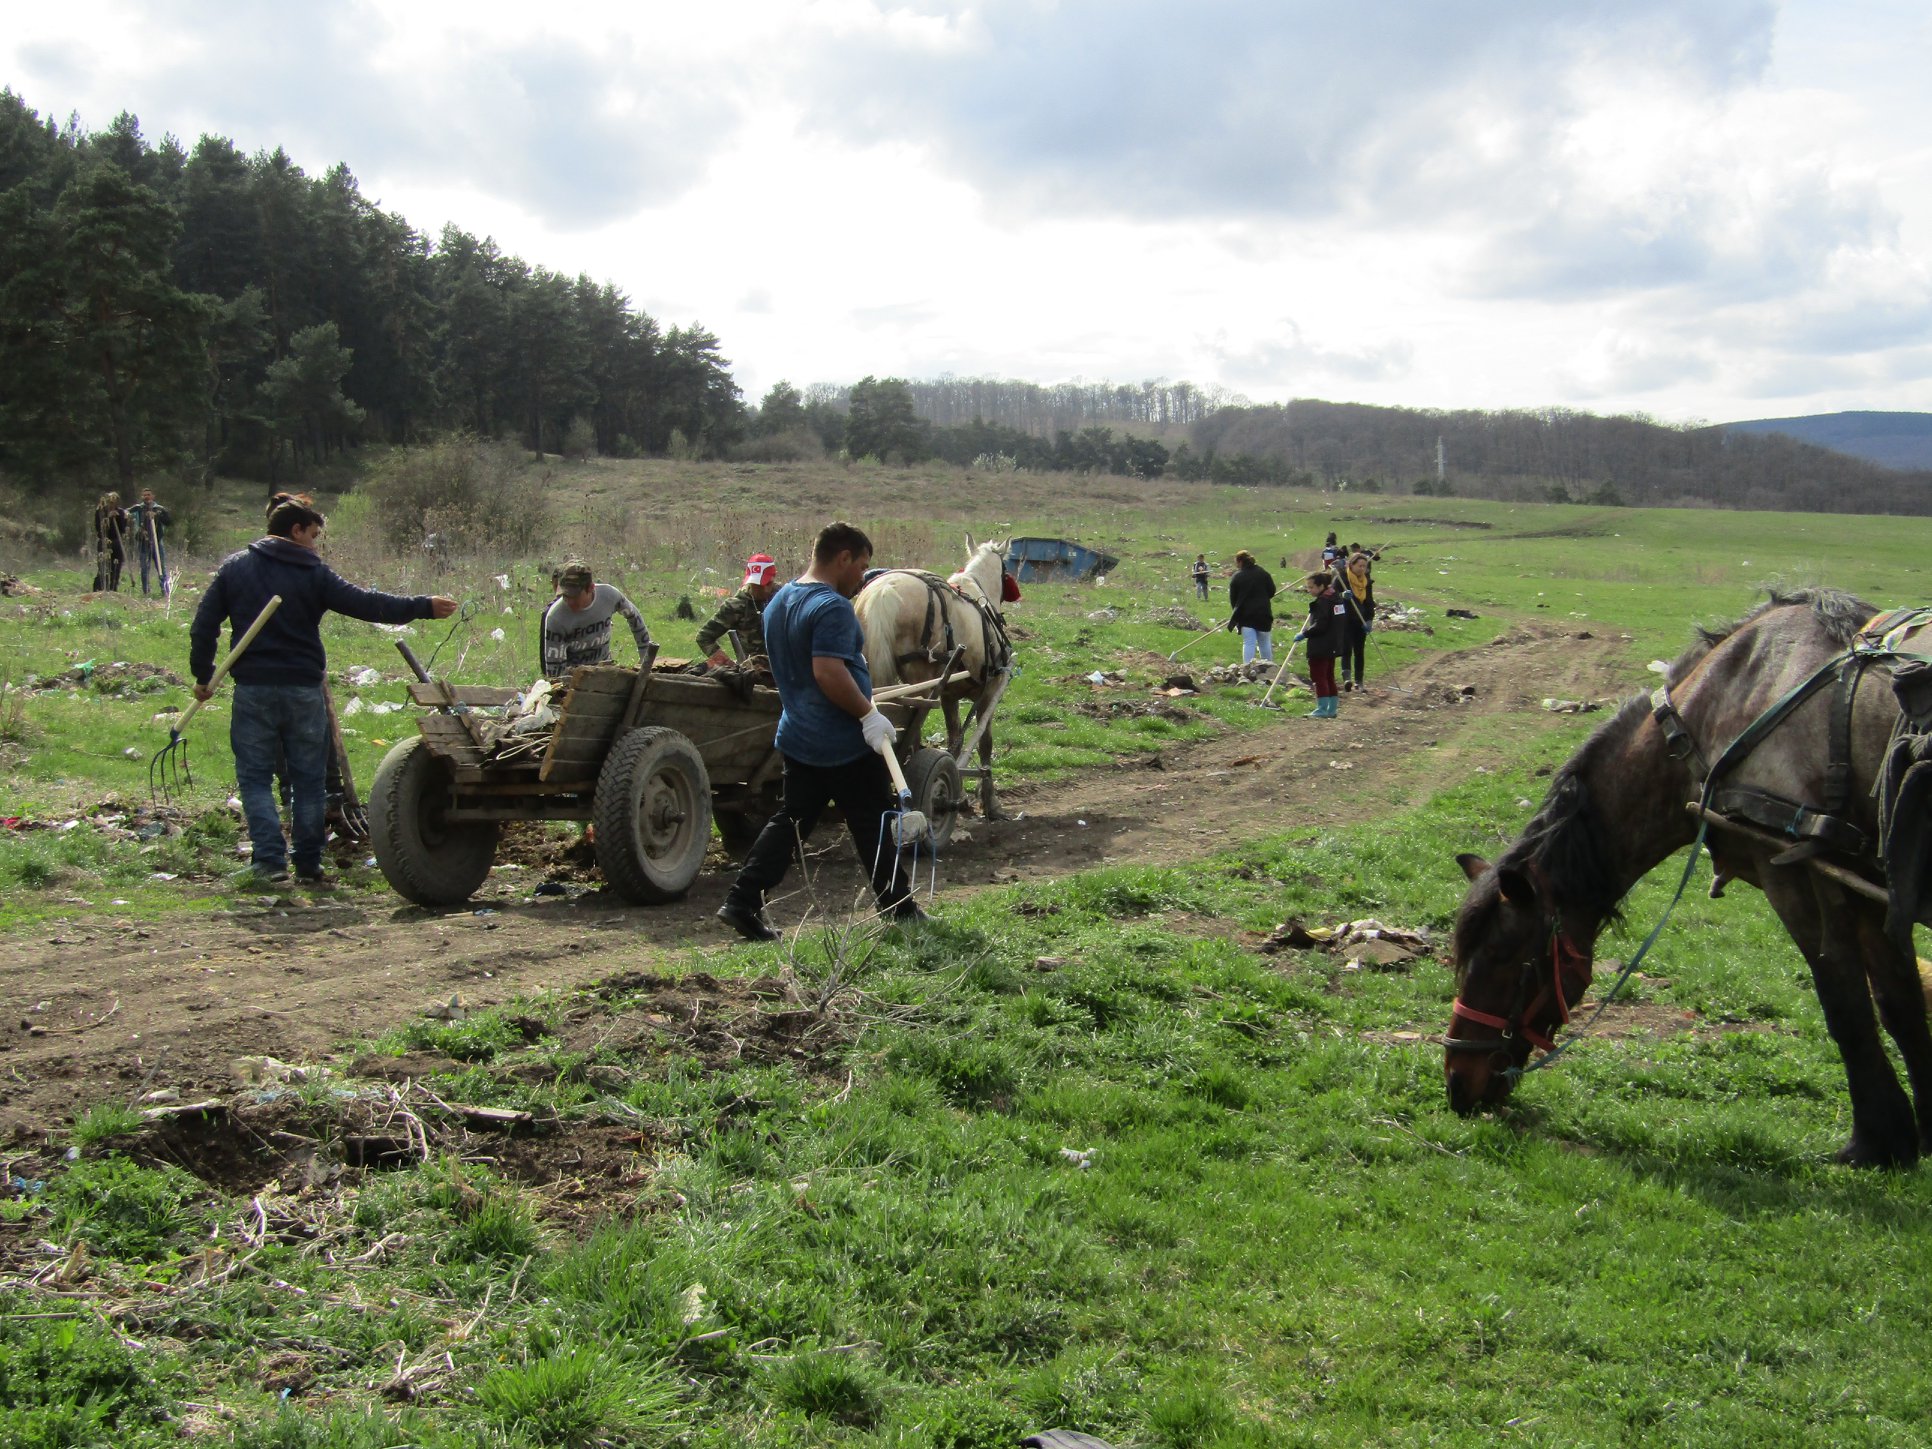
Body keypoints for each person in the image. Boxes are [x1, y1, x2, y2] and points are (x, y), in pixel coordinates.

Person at [189, 494, 456, 886]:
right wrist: (422, 606)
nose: (315, 545)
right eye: (313, 535)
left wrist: (203, 675)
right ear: (296, 530)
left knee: (255, 777)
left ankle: (269, 861)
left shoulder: (236, 567)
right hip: (303, 689)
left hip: (254, 688)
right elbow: (366, 604)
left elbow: (203, 625)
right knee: (309, 780)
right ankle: (308, 863)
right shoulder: (312, 573)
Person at [716, 521, 919, 941]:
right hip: (842, 741)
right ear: (843, 558)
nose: (862, 578)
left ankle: (741, 901)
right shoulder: (832, 607)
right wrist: (867, 715)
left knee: (791, 822)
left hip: (798, 735)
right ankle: (900, 909)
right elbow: (828, 672)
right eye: (860, 566)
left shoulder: (780, 600)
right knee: (873, 821)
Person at [541, 561, 652, 679]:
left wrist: (645, 659)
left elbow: (634, 617)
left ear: (590, 588)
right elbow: (555, 674)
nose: (569, 601)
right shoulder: (555, 618)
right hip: (574, 680)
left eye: (574, 596)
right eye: (565, 596)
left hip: (605, 671)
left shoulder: (609, 595)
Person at [698, 553, 781, 666]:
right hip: (756, 671)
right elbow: (704, 637)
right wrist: (728, 664)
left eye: (768, 584)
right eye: (758, 584)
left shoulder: (785, 597)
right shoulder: (736, 606)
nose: (764, 589)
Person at [1293, 571, 1349, 718]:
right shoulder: (1336, 599)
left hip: (1321, 645)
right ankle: (1332, 709)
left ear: (1321, 586)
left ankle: (1322, 708)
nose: (1309, 590)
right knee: (1329, 676)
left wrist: (1304, 633)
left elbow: (1320, 625)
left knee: (1319, 676)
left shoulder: (1323, 602)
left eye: (1311, 587)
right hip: (1333, 644)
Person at [1227, 549, 1276, 665]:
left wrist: (1236, 615)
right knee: (1264, 643)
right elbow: (1272, 591)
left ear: (1240, 562)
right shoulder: (1263, 573)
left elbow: (1233, 600)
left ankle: (1247, 668)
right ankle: (1269, 668)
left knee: (1249, 643)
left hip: (1246, 616)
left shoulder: (1237, 577)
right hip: (1264, 613)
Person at [1339, 544, 1375, 691]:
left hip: (1361, 620)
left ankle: (1359, 681)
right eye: (1359, 566)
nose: (1362, 569)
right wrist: (1342, 596)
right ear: (1351, 565)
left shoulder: (1366, 582)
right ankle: (1347, 679)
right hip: (1345, 619)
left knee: (1359, 651)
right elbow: (1331, 596)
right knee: (1346, 648)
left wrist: (1369, 619)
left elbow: (1370, 602)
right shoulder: (1342, 579)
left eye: (1364, 566)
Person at [127, 488, 172, 598]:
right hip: (143, 543)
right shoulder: (138, 508)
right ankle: (146, 592)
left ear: (152, 496)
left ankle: (165, 591)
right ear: (142, 497)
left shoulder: (159, 509)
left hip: (157, 542)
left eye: (148, 495)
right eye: (144, 495)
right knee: (144, 568)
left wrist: (157, 515)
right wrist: (127, 517)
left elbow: (168, 522)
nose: (146, 497)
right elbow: (126, 512)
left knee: (161, 567)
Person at [92, 492, 128, 592]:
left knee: (116, 567)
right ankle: (99, 589)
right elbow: (99, 528)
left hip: (117, 541)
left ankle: (113, 589)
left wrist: (119, 518)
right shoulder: (100, 512)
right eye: (110, 501)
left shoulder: (121, 512)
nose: (111, 504)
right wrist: (108, 518)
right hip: (104, 541)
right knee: (103, 567)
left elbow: (122, 529)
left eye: (114, 502)